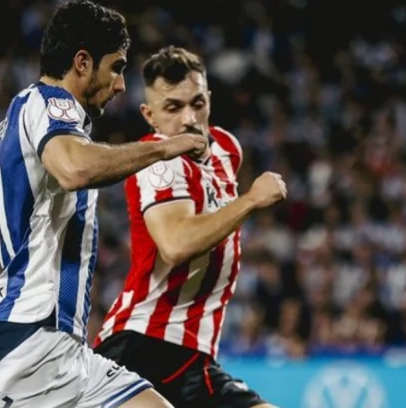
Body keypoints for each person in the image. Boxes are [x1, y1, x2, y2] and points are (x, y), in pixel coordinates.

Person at [0, 2, 207, 408]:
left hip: (69, 352)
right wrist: (164, 148)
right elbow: (75, 169)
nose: (121, 85)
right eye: (116, 67)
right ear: (82, 63)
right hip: (25, 345)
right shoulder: (49, 103)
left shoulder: (6, 136)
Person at [93, 46, 285, 408]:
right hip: (139, 348)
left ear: (209, 100)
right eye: (173, 108)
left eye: (197, 103)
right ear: (150, 116)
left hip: (193, 358)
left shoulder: (226, 148)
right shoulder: (157, 161)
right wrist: (250, 200)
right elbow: (176, 244)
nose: (189, 119)